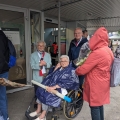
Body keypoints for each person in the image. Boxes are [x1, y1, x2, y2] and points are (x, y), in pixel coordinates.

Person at [75, 27, 114, 120]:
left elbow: (84, 69)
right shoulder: (108, 50)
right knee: (99, 104)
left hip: (95, 83)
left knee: (94, 106)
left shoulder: (97, 53)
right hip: (104, 81)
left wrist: (76, 70)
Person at [29, 55, 79, 120]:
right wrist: (56, 68)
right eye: (62, 61)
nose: (63, 62)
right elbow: (50, 76)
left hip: (63, 88)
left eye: (65, 61)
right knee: (40, 90)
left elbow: (70, 82)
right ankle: (38, 110)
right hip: (53, 85)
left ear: (69, 61)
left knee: (47, 95)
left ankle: (43, 115)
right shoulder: (59, 68)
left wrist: (54, 87)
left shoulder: (71, 70)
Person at [30, 41, 51, 108]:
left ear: (44, 47)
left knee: (45, 91)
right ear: (37, 46)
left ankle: (44, 104)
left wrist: (45, 64)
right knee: (37, 90)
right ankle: (37, 103)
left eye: (42, 46)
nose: (41, 47)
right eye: (39, 45)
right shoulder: (33, 55)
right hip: (37, 77)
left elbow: (50, 64)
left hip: (45, 76)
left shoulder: (47, 55)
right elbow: (32, 66)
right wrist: (39, 65)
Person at [0, 30, 10, 120]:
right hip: (3, 70)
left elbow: (1, 58)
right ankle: (5, 116)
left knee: (1, 96)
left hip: (1, 71)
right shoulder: (2, 35)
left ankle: (4, 116)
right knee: (2, 95)